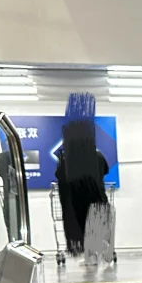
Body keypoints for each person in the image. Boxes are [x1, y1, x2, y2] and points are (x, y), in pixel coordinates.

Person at [54, 92, 110, 258]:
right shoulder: (97, 156)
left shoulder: (67, 159)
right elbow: (105, 171)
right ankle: (95, 250)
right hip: (96, 199)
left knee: (81, 224)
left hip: (75, 202)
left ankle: (89, 252)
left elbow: (59, 176)